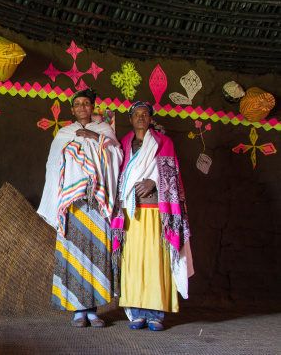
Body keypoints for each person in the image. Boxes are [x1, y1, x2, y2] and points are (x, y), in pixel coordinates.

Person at [37, 88, 123, 328]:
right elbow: (54, 166)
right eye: (78, 104)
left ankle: (94, 311)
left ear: (92, 107)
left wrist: (94, 138)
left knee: (97, 255)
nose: (83, 107)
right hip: (73, 206)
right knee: (74, 256)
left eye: (87, 103)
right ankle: (78, 311)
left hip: (96, 204)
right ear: (72, 109)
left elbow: (117, 156)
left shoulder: (104, 131)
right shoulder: (64, 133)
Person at [110, 101, 194, 331]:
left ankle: (156, 314)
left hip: (157, 211)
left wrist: (153, 182)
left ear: (150, 118)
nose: (140, 117)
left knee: (157, 261)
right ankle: (136, 312)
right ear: (130, 119)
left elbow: (170, 174)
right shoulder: (123, 143)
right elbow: (117, 174)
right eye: (136, 114)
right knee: (134, 262)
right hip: (131, 211)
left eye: (144, 114)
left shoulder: (163, 142)